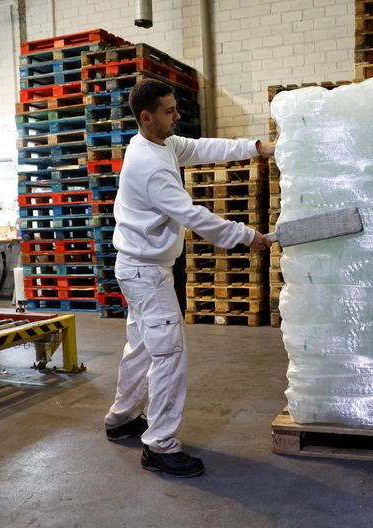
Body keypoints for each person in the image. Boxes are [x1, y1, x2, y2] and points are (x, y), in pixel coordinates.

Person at [104, 78, 273, 478]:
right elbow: (193, 215)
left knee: (143, 348)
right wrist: (246, 236)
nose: (177, 116)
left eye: (176, 108)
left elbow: (198, 148)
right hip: (146, 273)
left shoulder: (156, 143)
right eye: (169, 111)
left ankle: (122, 418)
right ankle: (160, 446)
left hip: (138, 267)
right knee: (168, 355)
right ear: (146, 117)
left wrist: (254, 149)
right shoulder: (149, 166)